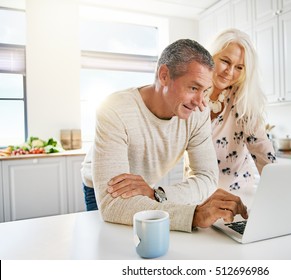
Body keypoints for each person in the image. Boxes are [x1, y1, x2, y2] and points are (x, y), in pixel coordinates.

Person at [89, 39, 248, 232]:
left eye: (205, 91)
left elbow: (207, 178)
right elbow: (113, 206)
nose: (200, 102)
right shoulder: (115, 109)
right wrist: (194, 216)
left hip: (149, 190)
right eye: (193, 88)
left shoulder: (198, 113)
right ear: (164, 75)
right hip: (102, 190)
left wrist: (157, 194)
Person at [203, 28, 276, 192]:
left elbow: (262, 149)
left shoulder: (242, 100)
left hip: (239, 194)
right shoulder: (193, 96)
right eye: (225, 61)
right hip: (198, 193)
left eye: (239, 67)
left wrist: (280, 187)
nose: (229, 72)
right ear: (210, 56)